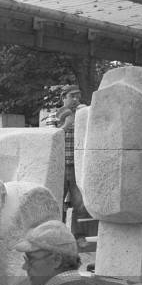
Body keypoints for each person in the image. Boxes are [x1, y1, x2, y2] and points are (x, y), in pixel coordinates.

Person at [55, 85, 89, 246]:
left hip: (78, 167)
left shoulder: (83, 115)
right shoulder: (54, 116)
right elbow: (50, 138)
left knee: (80, 203)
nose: (76, 99)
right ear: (64, 97)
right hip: (59, 166)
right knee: (56, 201)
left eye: (78, 96)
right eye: (72, 96)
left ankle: (79, 235)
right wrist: (66, 125)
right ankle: (56, 235)